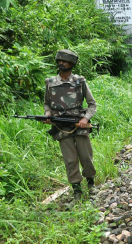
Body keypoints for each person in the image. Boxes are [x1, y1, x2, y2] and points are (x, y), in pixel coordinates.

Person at [43, 49, 97, 205]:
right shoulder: (50, 82)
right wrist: (48, 114)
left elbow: (92, 104)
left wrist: (85, 118)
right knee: (70, 160)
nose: (61, 64)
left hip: (79, 124)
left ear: (71, 64)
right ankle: (77, 190)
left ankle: (91, 185)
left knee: (86, 157)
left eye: (65, 62)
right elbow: (47, 103)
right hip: (61, 126)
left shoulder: (80, 81)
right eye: (59, 61)